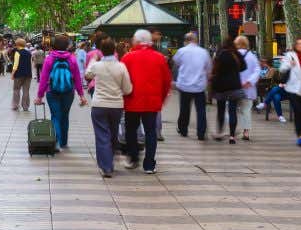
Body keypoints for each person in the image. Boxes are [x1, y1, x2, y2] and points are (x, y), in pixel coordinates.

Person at [121, 29, 171, 174]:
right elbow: (167, 81)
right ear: (150, 42)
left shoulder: (127, 57)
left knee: (131, 131)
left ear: (135, 41)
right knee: (150, 132)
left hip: (132, 102)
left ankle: (133, 158)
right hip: (152, 102)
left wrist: (124, 97)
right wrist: (160, 99)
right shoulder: (159, 57)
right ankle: (149, 164)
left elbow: (123, 80)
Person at [85, 36, 132, 177]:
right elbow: (128, 89)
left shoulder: (97, 65)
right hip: (116, 106)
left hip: (99, 105)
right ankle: (109, 160)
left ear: (101, 50)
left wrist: (93, 60)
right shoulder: (121, 66)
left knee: (102, 136)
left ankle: (106, 166)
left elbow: (87, 75)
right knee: (112, 134)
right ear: (114, 50)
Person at [35, 34, 86, 150]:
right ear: (67, 46)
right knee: (65, 116)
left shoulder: (49, 59)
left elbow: (43, 79)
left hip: (52, 92)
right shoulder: (72, 59)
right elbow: (77, 78)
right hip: (69, 92)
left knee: (55, 116)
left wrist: (39, 96)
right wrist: (81, 95)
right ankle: (64, 142)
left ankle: (56, 142)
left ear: (53, 45)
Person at [171, 32, 210, 139]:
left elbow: (176, 65)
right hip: (199, 86)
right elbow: (208, 69)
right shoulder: (204, 52)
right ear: (196, 40)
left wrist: (174, 80)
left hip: (184, 85)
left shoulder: (181, 51)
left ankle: (183, 129)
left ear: (186, 41)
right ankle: (201, 132)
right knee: (201, 110)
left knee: (184, 109)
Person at [209, 37, 246, 144]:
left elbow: (215, 69)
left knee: (220, 110)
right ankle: (232, 136)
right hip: (234, 86)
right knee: (232, 110)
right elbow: (244, 67)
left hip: (221, 87)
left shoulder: (220, 54)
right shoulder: (236, 54)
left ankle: (220, 132)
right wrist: (234, 71)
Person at [234, 35, 261, 142]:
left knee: (233, 109)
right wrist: (250, 81)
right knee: (246, 110)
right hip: (248, 88)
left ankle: (235, 129)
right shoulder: (252, 56)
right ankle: (246, 131)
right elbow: (257, 70)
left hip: (235, 87)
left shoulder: (234, 55)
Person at [10, 37, 33, 111]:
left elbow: (15, 64)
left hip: (19, 74)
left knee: (16, 89)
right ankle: (25, 106)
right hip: (28, 74)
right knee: (26, 90)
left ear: (17, 44)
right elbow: (30, 64)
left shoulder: (17, 52)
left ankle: (15, 105)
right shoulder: (29, 53)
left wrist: (12, 74)